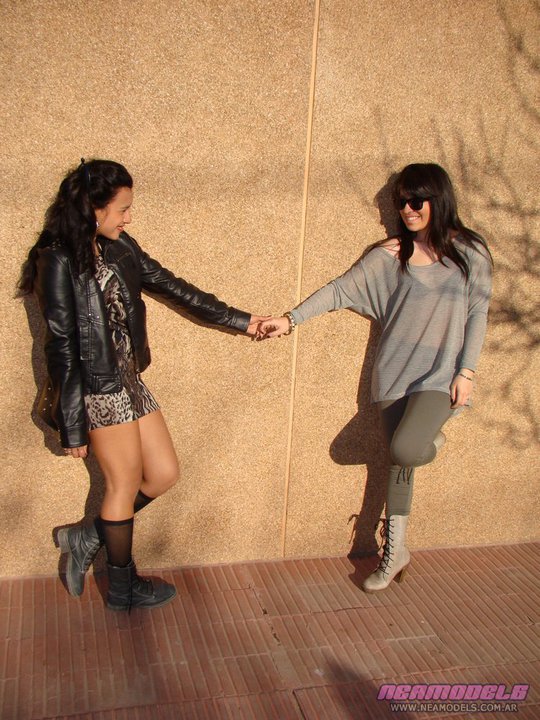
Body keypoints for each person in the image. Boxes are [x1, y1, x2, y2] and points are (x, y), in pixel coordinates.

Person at [18, 159, 265, 611]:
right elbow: (60, 344)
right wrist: (72, 424)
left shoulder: (119, 246)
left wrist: (242, 321)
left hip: (128, 379)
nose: (128, 218)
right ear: (94, 209)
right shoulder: (55, 259)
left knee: (164, 472)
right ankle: (122, 587)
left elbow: (171, 285)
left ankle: (88, 536)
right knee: (123, 484)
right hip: (97, 387)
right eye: (122, 209)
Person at [259, 163, 493, 592]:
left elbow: (478, 313)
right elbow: (339, 290)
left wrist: (467, 371)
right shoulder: (390, 255)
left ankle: (428, 441)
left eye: (416, 201)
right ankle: (395, 551)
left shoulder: (470, 252)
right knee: (399, 463)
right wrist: (290, 320)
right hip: (393, 376)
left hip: (439, 375)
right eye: (401, 201)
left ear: (438, 199)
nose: (406, 209)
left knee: (405, 448)